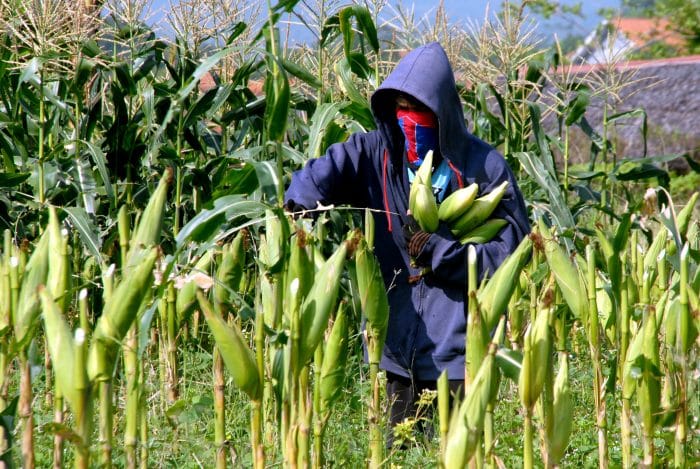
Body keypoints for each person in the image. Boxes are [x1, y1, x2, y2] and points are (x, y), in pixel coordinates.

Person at [284, 42, 530, 443]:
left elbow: (508, 255)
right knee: (397, 449)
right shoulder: (375, 153)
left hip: (456, 353)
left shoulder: (483, 166)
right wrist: (301, 201)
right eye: (398, 108)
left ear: (442, 111)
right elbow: (322, 172)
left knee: (453, 450)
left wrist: (442, 253)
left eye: (417, 108)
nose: (407, 119)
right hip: (394, 347)